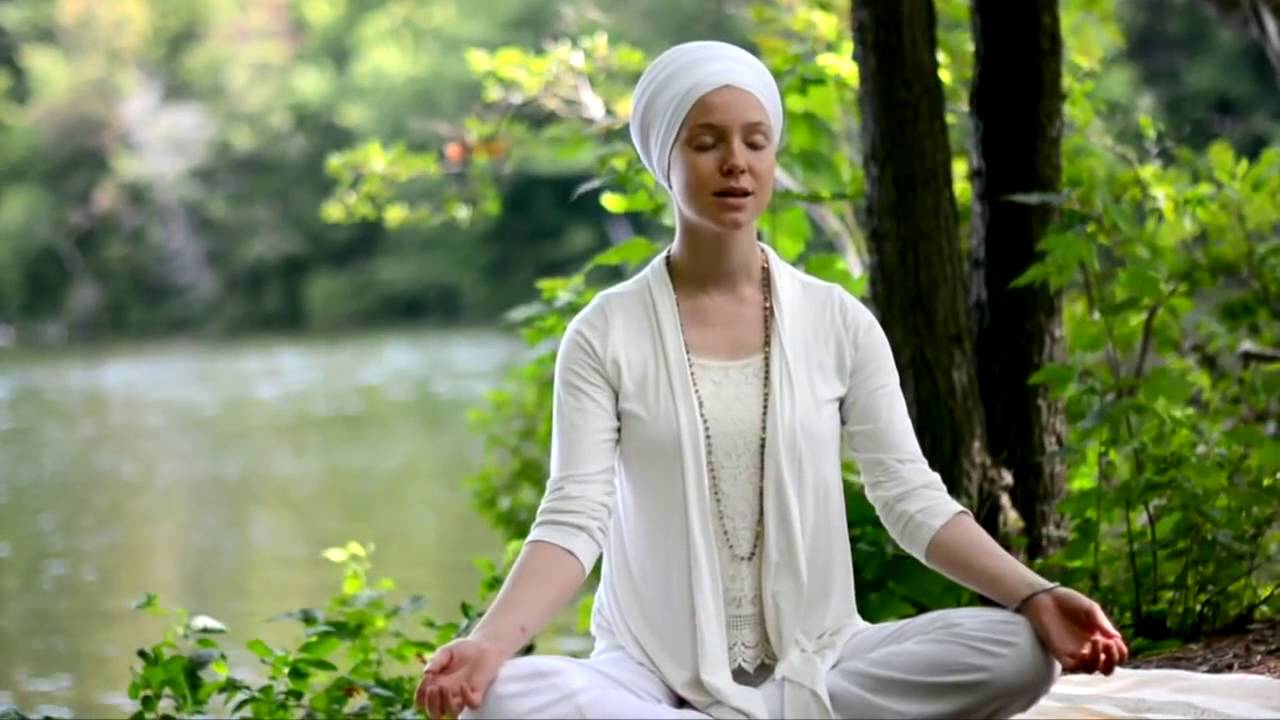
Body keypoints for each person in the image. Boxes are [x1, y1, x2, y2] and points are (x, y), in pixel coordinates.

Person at [416, 40, 1128, 719]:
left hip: (822, 657)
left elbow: (910, 498)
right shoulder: (604, 333)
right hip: (648, 672)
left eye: (755, 141)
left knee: (1017, 652)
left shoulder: (837, 320)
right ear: (665, 158)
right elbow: (574, 518)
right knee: (506, 698)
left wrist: (1036, 594)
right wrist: (488, 645)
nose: (736, 162)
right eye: (707, 142)